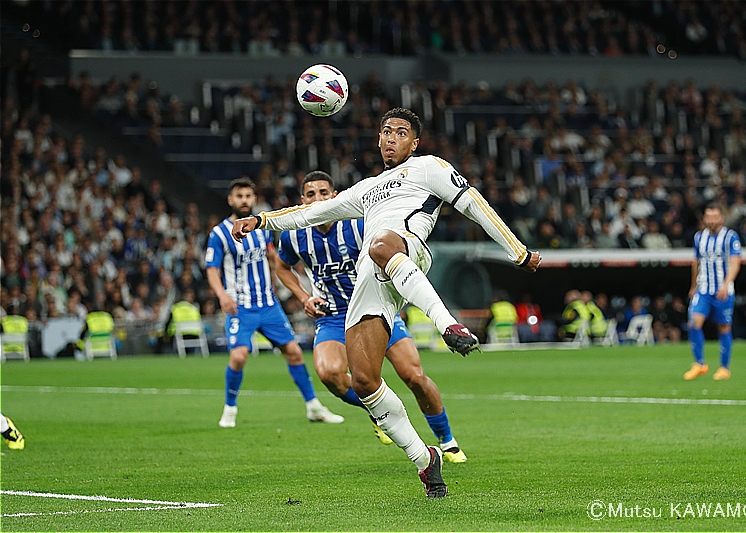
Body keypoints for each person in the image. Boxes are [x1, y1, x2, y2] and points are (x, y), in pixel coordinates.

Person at [232, 108, 541, 498]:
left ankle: (448, 324)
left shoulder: (429, 167)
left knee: (380, 245)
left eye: (401, 132)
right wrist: (261, 221)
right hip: (371, 277)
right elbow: (310, 213)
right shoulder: (365, 189)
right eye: (386, 132)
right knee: (364, 381)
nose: (392, 138)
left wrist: (517, 251)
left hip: (407, 250)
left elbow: (473, 203)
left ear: (415, 142)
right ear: (378, 140)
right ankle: (425, 459)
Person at [274, 171, 466, 463]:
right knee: (330, 374)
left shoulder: (358, 225)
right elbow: (282, 267)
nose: (318, 199)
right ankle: (378, 411)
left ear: (334, 196)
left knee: (413, 376)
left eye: (323, 193)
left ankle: (447, 441)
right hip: (334, 317)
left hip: (377, 309)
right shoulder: (293, 235)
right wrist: (304, 298)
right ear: (302, 201)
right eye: (311, 195)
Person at [206, 177, 343, 428]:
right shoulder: (219, 234)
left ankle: (313, 406)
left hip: (268, 305)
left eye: (248, 196)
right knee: (238, 357)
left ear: (254, 199)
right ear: (230, 200)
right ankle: (230, 409)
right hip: (240, 306)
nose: (244, 200)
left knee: (293, 353)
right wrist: (222, 296)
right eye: (239, 196)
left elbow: (272, 257)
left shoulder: (260, 229)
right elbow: (212, 269)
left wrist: (277, 280)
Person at [684, 203, 741, 381]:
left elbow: (735, 262)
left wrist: (726, 284)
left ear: (721, 218)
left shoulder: (730, 237)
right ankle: (700, 364)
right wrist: (693, 286)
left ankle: (724, 368)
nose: (711, 220)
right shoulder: (699, 237)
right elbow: (696, 262)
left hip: (722, 290)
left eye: (715, 217)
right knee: (693, 322)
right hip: (703, 289)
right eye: (708, 217)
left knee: (723, 328)